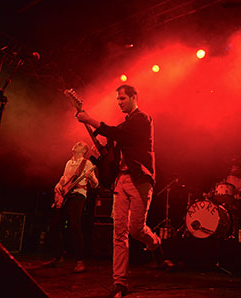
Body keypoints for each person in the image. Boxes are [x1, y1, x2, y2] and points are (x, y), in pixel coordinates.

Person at [76, 84, 161, 297]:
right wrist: (101, 152)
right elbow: (112, 150)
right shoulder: (124, 126)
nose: (119, 102)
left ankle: (154, 242)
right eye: (118, 99)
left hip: (140, 180)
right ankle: (119, 282)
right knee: (119, 232)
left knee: (136, 229)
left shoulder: (142, 119)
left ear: (134, 97)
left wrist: (90, 120)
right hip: (121, 182)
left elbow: (116, 133)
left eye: (122, 98)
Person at [48, 141, 98, 273]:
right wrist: (59, 185)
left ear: (84, 150)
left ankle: (80, 261)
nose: (76, 144)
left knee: (75, 226)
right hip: (66, 196)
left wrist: (91, 178)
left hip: (78, 195)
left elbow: (96, 184)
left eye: (80, 144)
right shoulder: (68, 163)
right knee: (54, 226)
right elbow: (65, 179)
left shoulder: (86, 164)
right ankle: (58, 256)